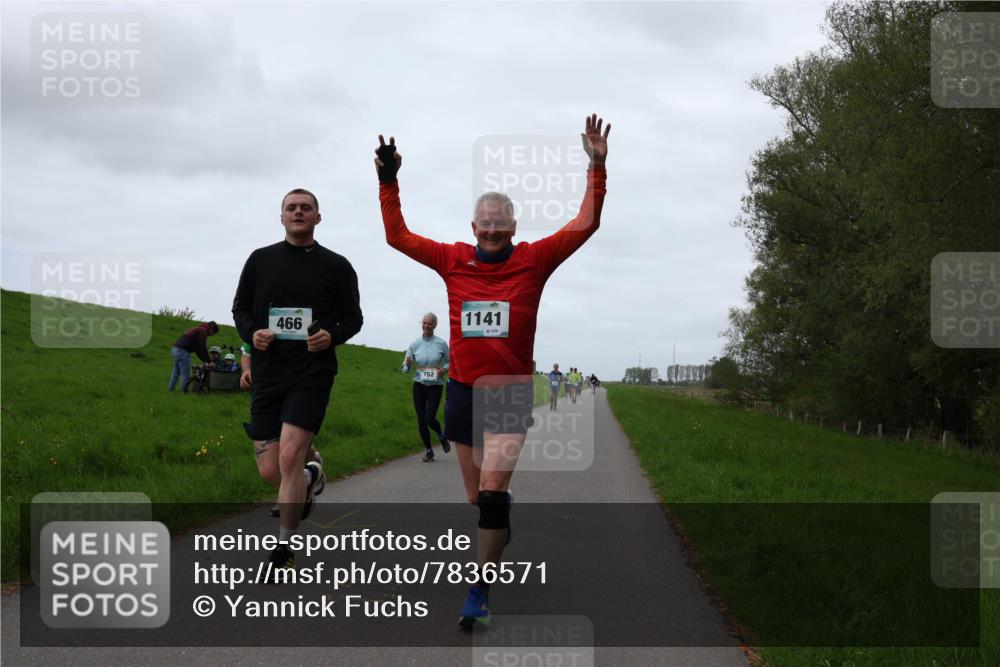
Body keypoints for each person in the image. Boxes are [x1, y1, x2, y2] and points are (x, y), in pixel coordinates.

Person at [376, 113, 610, 627]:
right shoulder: (452, 259)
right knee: (477, 496)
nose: (494, 226)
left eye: (503, 219)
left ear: (513, 227)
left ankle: (479, 591)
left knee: (489, 495)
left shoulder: (535, 260)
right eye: (486, 219)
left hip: (507, 392)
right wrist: (388, 181)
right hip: (461, 389)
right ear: (474, 227)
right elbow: (398, 237)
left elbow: (585, 223)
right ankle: (498, 514)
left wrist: (597, 167)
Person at [232, 187, 363, 577]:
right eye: (291, 208)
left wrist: (332, 336)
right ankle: (311, 473)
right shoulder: (260, 260)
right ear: (282, 217)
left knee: (288, 457)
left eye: (306, 208)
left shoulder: (337, 266)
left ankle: (283, 549)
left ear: (318, 218)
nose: (299, 212)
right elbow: (240, 307)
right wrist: (253, 331)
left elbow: (353, 318)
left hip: (312, 372)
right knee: (272, 471)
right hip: (269, 374)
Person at [403, 312, 451, 462]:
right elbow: (406, 367)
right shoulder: (414, 344)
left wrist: (444, 369)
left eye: (430, 323)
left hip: (435, 386)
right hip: (419, 385)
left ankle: (441, 436)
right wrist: (408, 365)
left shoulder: (441, 343)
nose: (426, 326)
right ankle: (429, 451)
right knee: (421, 420)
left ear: (435, 325)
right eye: (424, 323)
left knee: (429, 417)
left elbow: (450, 361)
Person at [168, 321, 218, 392]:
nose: (212, 335)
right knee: (185, 374)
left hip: (176, 349)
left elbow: (197, 350)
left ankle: (170, 389)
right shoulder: (203, 331)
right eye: (213, 333)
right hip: (183, 351)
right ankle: (184, 393)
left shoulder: (198, 329)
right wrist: (210, 361)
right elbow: (202, 347)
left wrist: (205, 361)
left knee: (176, 372)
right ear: (211, 329)